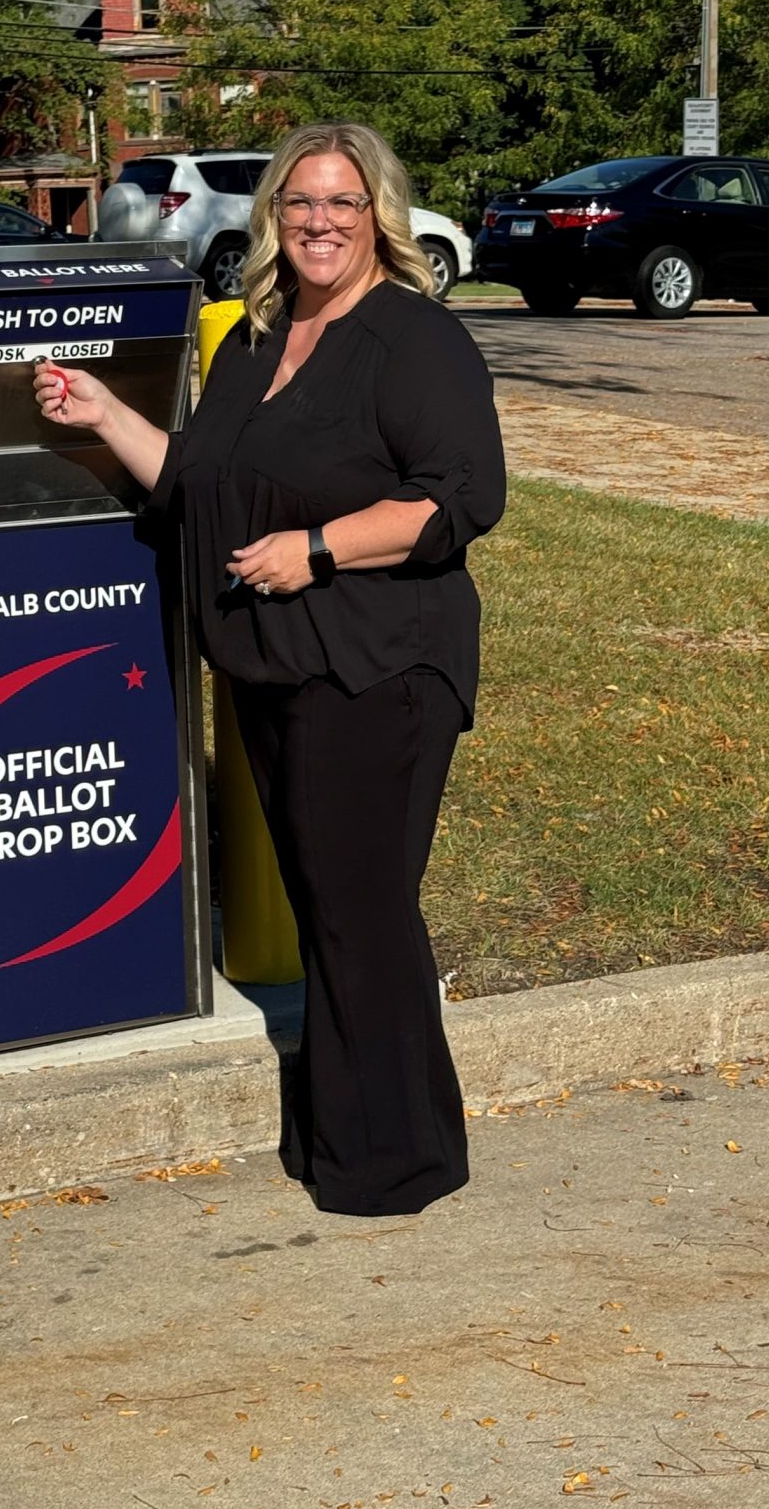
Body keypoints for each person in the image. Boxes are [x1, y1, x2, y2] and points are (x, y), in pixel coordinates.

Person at [35, 122, 505, 1216]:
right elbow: (200, 488)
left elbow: (460, 497)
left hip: (379, 666)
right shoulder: (256, 337)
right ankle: (355, 1131)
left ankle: (396, 1159)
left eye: (343, 203)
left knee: (361, 909)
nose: (320, 222)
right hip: (276, 665)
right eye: (301, 204)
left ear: (378, 215)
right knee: (332, 904)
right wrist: (105, 415)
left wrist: (322, 547)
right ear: (272, 218)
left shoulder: (414, 342)